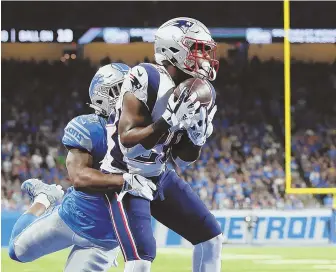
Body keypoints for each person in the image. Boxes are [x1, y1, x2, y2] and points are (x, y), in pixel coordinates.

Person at [100, 18, 223, 272]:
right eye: (197, 50)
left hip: (159, 174)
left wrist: (196, 137)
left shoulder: (197, 91)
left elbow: (185, 157)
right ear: (173, 50)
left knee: (210, 238)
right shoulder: (148, 77)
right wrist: (168, 120)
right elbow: (128, 142)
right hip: (126, 176)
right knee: (141, 260)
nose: (204, 58)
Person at [8, 63, 156, 272]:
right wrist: (125, 181)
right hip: (70, 217)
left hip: (103, 240)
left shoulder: (147, 130)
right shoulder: (90, 127)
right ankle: (44, 197)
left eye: (133, 90)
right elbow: (79, 177)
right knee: (17, 251)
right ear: (101, 96)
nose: (130, 97)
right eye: (121, 90)